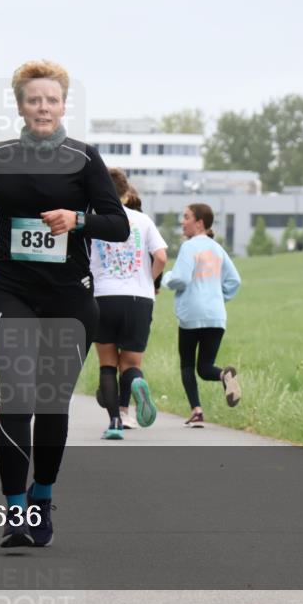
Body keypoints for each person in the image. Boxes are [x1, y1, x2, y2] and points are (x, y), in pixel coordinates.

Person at [0, 60, 129, 548]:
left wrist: (76, 219)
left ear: (63, 105)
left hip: (68, 298)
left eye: (52, 100)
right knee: (17, 397)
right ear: (19, 105)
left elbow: (117, 225)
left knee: (52, 403)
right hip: (9, 291)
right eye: (34, 99)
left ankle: (41, 500)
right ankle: (14, 511)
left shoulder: (83, 158)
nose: (43, 107)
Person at [90, 168, 168, 439]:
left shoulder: (94, 221)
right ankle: (136, 381)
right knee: (131, 362)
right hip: (139, 298)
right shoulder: (142, 220)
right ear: (125, 192)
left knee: (107, 364)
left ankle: (114, 423)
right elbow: (161, 256)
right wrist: (148, 279)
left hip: (103, 296)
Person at [161, 203, 242, 428]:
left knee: (187, 365)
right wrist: (216, 297)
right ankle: (225, 376)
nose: (182, 221)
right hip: (216, 315)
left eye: (186, 217)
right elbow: (234, 281)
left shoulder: (189, 247)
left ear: (199, 223)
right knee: (205, 367)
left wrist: (167, 278)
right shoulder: (218, 249)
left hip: (191, 314)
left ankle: (196, 410)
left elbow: (181, 279)